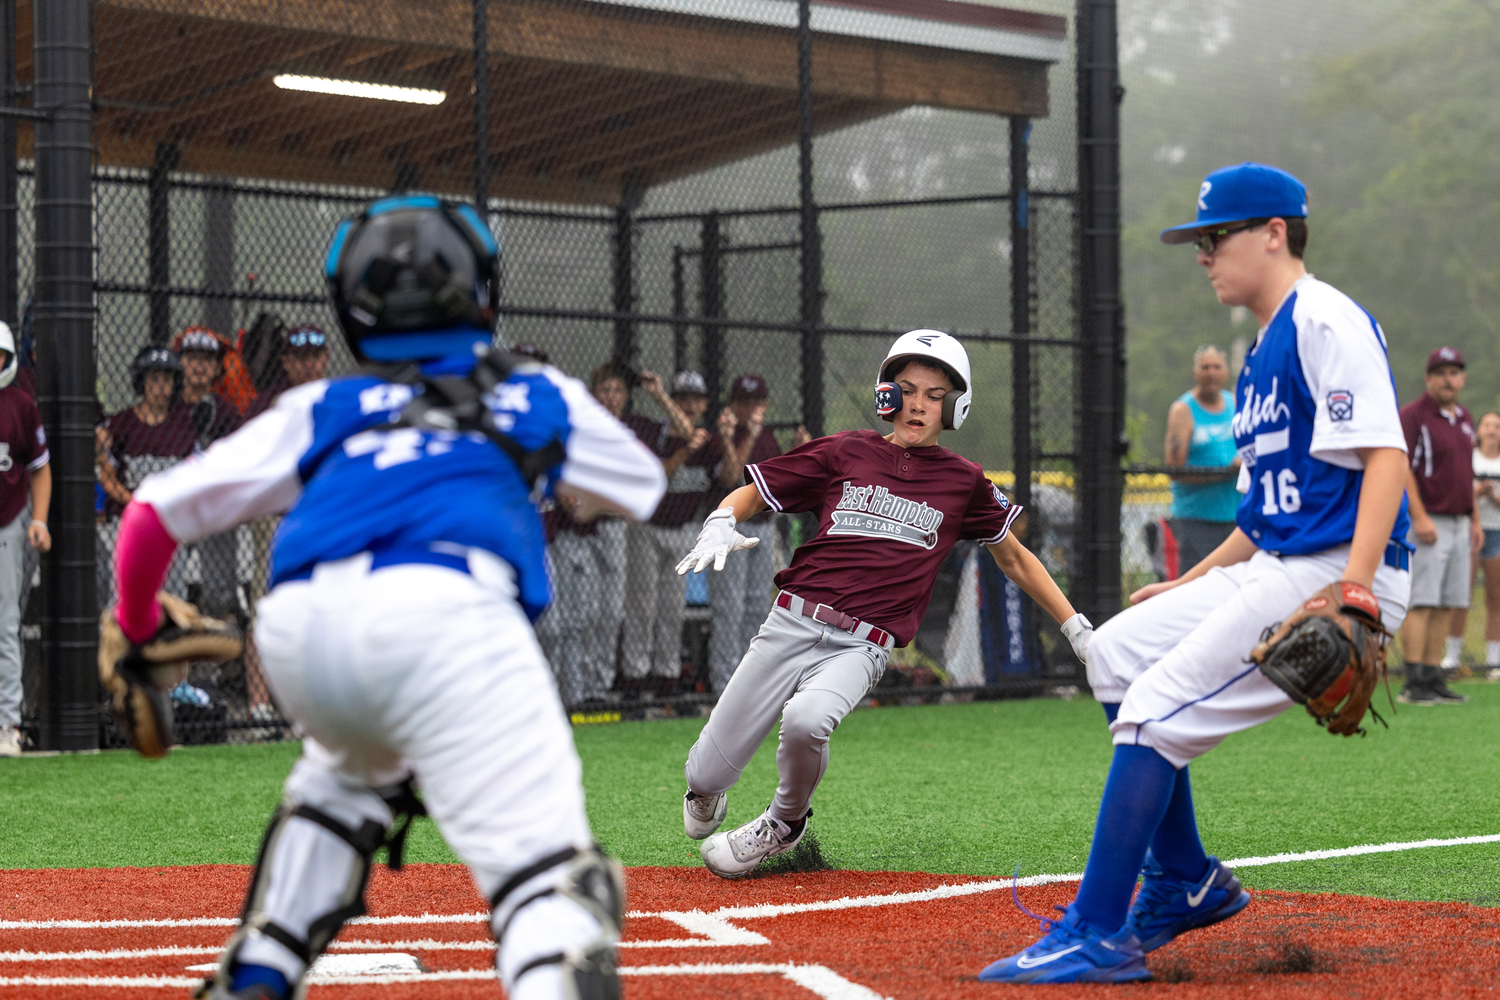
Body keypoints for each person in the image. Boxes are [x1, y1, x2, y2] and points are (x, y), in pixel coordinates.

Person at [106, 195, 664, 1000]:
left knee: (344, 780)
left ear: (353, 308)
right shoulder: (534, 391)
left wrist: (133, 625)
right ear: (481, 291)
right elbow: (640, 484)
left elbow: (151, 517)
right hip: (450, 618)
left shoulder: (324, 405)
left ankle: (265, 960)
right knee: (555, 892)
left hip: (303, 638)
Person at [978, 164, 1411, 983]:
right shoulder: (1256, 355)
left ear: (1274, 233)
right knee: (1113, 653)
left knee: (1148, 716)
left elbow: (1385, 456)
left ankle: (1098, 932)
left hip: (1334, 568)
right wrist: (1187, 584)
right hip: (1280, 558)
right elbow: (1259, 516)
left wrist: (1355, 591)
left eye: (1216, 238)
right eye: (1200, 242)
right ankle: (1187, 880)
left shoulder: (1325, 318)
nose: (1204, 255)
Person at [677, 330, 1092, 878]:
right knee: (704, 777)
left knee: (807, 720)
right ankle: (707, 788)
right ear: (886, 394)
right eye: (908, 388)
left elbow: (1015, 558)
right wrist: (721, 520)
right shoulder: (845, 450)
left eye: (935, 394)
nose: (919, 403)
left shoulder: (962, 481)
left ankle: (784, 822)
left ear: (956, 406)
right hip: (790, 622)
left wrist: (1078, 629)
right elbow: (753, 491)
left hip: (861, 643)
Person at [620, 371, 714, 695]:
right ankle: (634, 677)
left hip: (682, 530)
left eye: (695, 399)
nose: (689, 405)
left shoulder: (706, 439)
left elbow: (694, 436)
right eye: (682, 398)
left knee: (672, 608)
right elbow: (659, 477)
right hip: (647, 528)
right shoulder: (654, 432)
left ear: (704, 404)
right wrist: (684, 449)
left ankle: (667, 677)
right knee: (642, 606)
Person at [1396, 347, 1478, 705]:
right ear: (1428, 378)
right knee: (1423, 601)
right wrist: (1419, 515)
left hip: (1460, 521)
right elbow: (1401, 467)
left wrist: (1474, 517)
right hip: (1430, 519)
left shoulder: (1464, 417)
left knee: (1448, 602)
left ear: (1461, 378)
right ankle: (1413, 680)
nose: (1449, 379)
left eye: (1454, 372)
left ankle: (1433, 677)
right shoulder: (1413, 415)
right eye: (1441, 372)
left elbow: (1466, 472)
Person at [97, 345, 198, 606]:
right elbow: (106, 474)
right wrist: (133, 502)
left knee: (170, 594)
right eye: (154, 379)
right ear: (141, 382)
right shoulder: (122, 424)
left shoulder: (183, 426)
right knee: (123, 593)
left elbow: (195, 474)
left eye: (167, 379)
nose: (161, 387)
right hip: (127, 519)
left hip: (169, 519)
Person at [702, 374, 781, 692]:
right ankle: (724, 685)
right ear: (733, 406)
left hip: (763, 528)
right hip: (731, 528)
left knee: (756, 606)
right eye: (744, 403)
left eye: (756, 403)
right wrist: (745, 436)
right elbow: (732, 478)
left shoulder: (768, 437)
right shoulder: (721, 436)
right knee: (729, 608)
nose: (751, 409)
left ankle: (749, 684)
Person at [0, 322, 49, 757]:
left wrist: (41, 520)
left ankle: (9, 723)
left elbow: (39, 467)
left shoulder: (20, 405)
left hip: (8, 522)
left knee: (5, 624)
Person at [173, 327, 245, 617]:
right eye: (192, 358)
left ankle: (219, 607)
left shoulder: (226, 411)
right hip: (178, 501)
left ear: (217, 367)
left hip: (212, 504)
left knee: (217, 589)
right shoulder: (169, 406)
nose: (200, 366)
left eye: (207, 360)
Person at [1163, 345, 1240, 575]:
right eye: (1205, 367)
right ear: (1196, 373)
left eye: (1217, 367)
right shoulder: (1183, 410)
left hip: (1236, 520)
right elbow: (1175, 470)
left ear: (1226, 372)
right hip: (1195, 521)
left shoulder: (1236, 403)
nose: (1211, 373)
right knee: (1195, 588)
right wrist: (1226, 471)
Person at [244, 324, 330, 418]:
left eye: (316, 356)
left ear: (326, 357)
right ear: (286, 362)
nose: (310, 365)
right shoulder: (269, 402)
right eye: (301, 357)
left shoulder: (333, 396)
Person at [1470, 412, 1500, 678]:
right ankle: (1451, 658)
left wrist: (1493, 496)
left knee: (1495, 599)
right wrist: (1476, 492)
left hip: (1497, 533)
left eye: (1497, 426)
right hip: (1470, 531)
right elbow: (1457, 494)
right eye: (1487, 424)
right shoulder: (1470, 459)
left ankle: (1493, 661)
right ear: (1479, 430)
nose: (1491, 430)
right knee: (1460, 598)